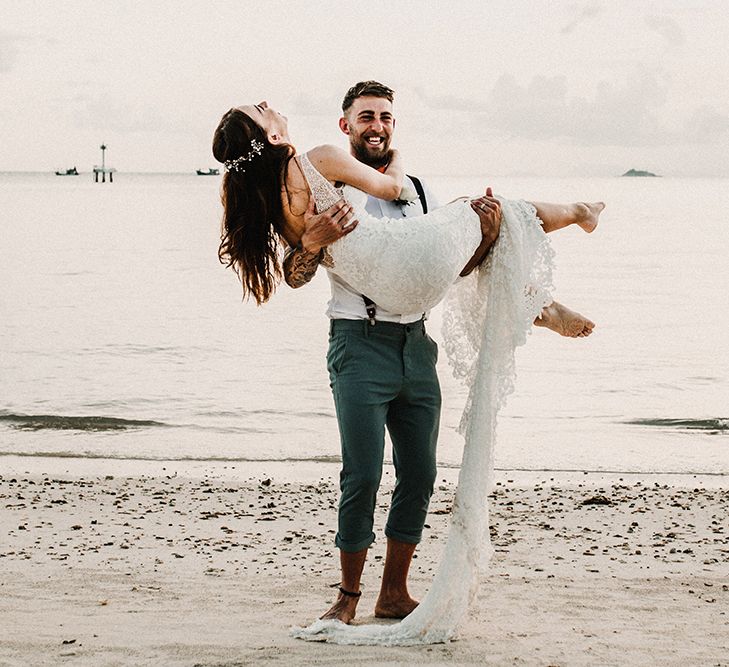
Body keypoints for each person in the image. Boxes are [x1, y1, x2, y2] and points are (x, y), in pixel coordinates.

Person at [211, 90, 604, 643]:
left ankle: (393, 591)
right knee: (363, 473)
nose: (377, 126)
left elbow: (445, 258)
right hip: (360, 340)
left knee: (419, 472)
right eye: (367, 117)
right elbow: (296, 276)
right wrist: (316, 243)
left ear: (392, 126)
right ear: (344, 124)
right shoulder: (326, 167)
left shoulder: (405, 192)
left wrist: (480, 230)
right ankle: (347, 596)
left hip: (415, 342)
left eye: (386, 118)